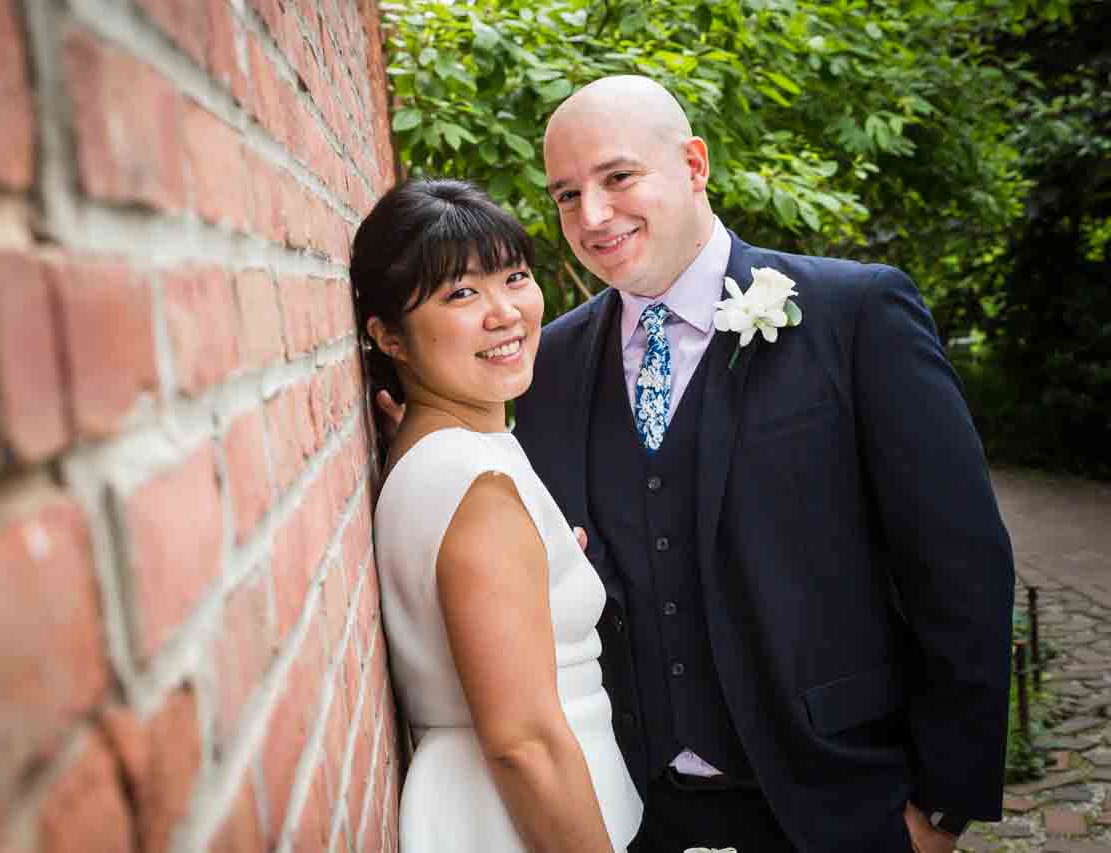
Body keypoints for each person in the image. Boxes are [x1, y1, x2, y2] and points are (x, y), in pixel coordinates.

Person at [380, 76, 1014, 852]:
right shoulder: (545, 364)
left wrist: (943, 805)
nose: (593, 216)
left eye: (617, 179)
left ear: (694, 164)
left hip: (841, 803)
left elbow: (961, 566)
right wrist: (419, 413)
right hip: (639, 811)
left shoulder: (856, 315)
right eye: (567, 195)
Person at [352, 178, 643, 852]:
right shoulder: (471, 481)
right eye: (461, 293)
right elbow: (524, 744)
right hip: (515, 823)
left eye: (514, 276)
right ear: (389, 336)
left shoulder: (448, 452)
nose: (505, 311)